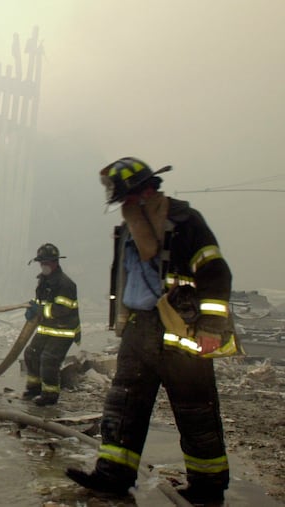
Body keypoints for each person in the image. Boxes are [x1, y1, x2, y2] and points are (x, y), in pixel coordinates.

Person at [66, 157, 235, 504]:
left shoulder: (186, 222)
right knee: (123, 405)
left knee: (195, 411)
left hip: (181, 329)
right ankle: (113, 475)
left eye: (127, 199)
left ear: (145, 192)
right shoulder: (130, 228)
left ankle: (207, 487)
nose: (124, 207)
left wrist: (211, 327)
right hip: (139, 330)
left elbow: (217, 273)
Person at [22, 243, 81, 406]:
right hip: (47, 327)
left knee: (49, 360)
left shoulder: (65, 284)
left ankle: (50, 395)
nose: (43, 266)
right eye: (41, 263)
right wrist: (32, 308)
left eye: (46, 262)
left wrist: (40, 309)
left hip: (64, 330)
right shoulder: (44, 280)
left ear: (55, 262)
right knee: (31, 353)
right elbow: (41, 301)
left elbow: (62, 309)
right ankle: (34, 388)